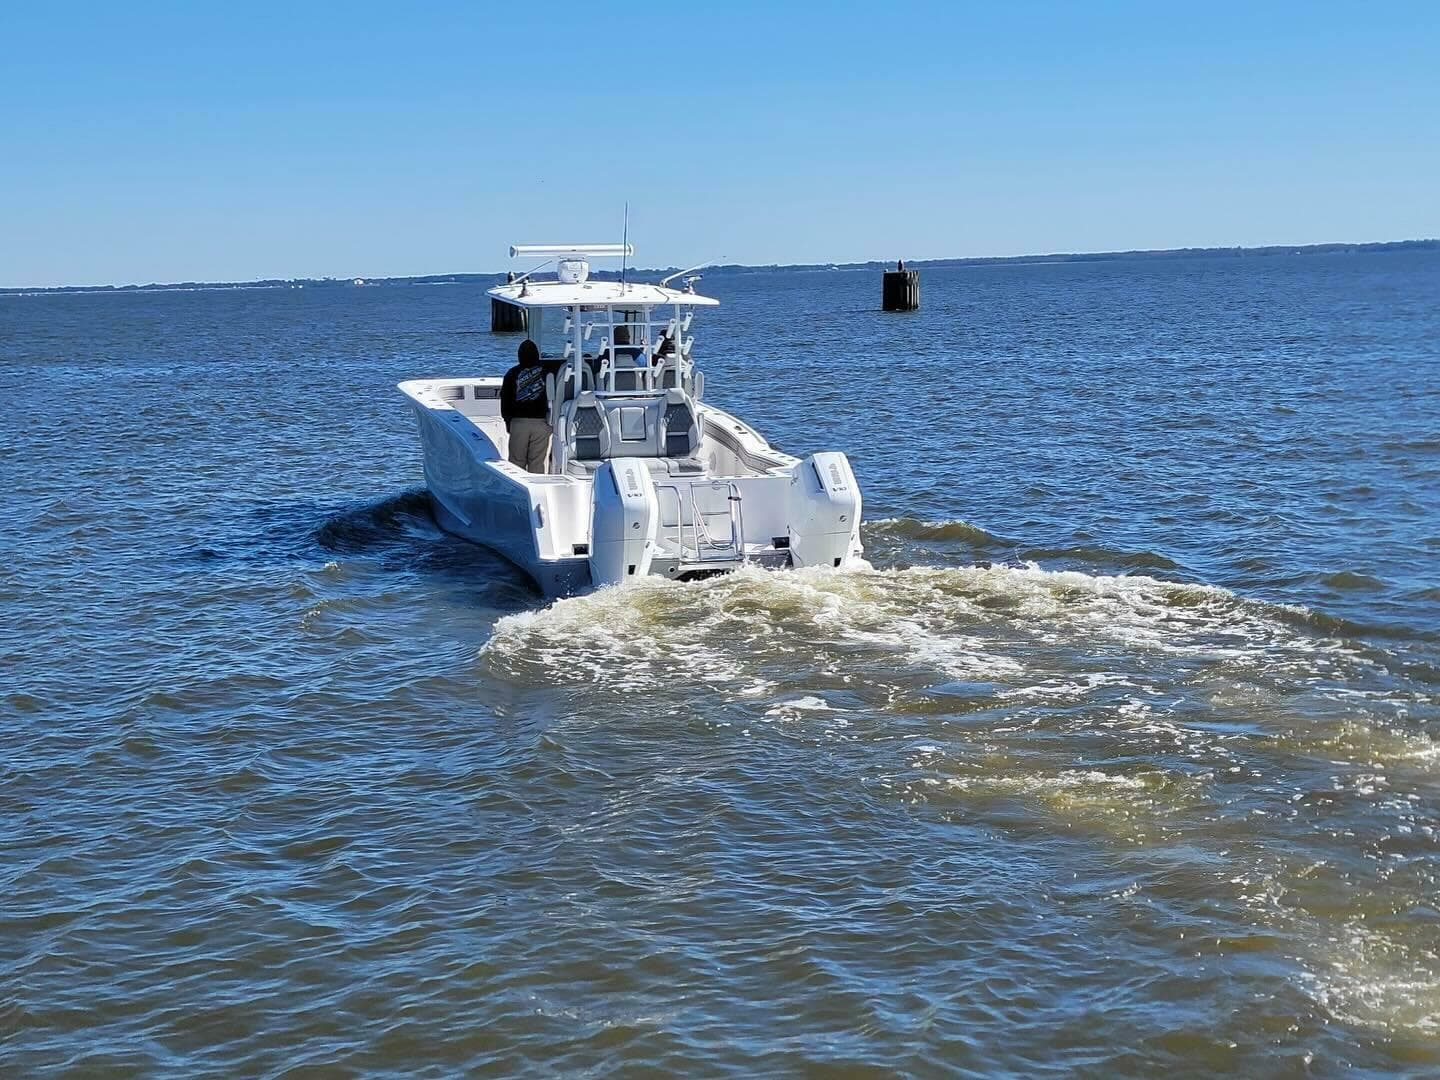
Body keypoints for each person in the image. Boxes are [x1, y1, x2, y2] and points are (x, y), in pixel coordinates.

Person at [500, 339, 558, 473]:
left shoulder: (511, 374)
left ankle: (518, 490)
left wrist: (508, 422)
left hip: (518, 422)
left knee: (516, 463)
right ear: (537, 355)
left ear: (519, 355)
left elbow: (505, 401)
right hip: (542, 423)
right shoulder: (548, 371)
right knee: (538, 462)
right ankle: (537, 490)